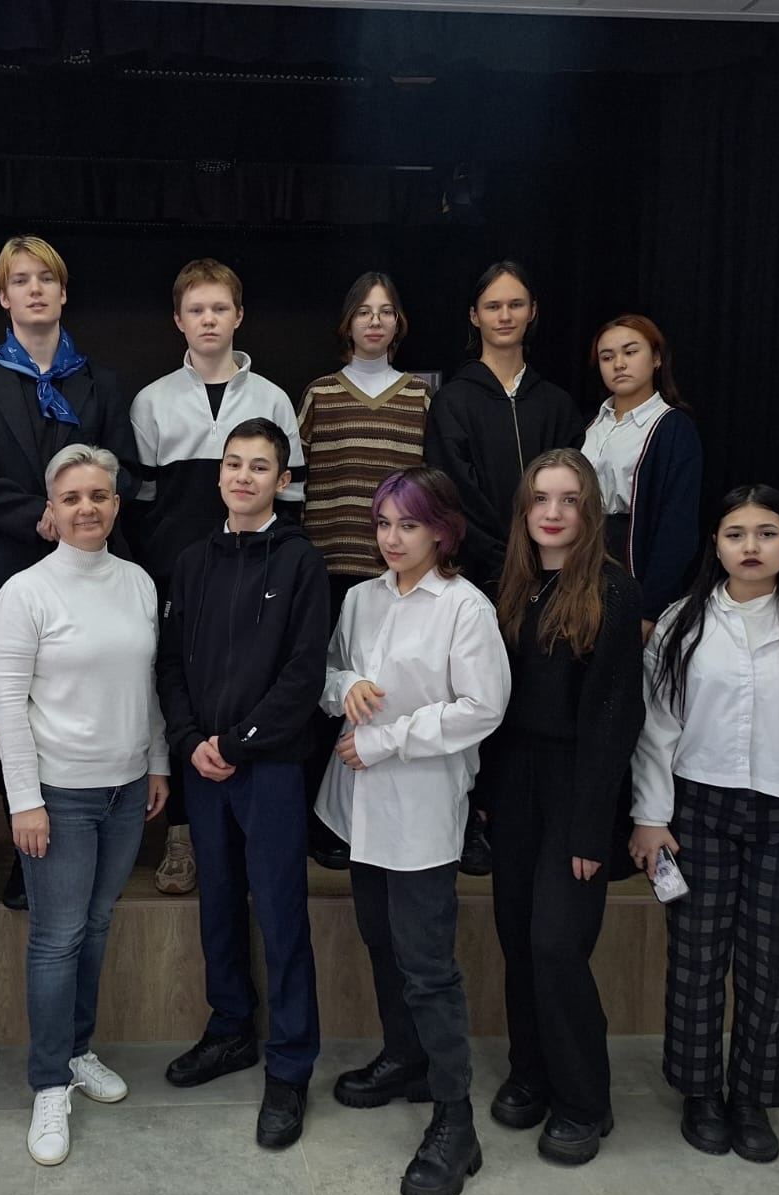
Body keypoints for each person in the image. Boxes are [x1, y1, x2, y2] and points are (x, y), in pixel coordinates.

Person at [630, 484, 779, 1165]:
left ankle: (752, 1098)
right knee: (697, 960)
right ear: (716, 545)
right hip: (698, 816)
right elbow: (656, 730)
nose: (751, 547)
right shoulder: (683, 622)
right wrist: (650, 816)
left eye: (767, 533)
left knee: (773, 968)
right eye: (736, 534)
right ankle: (700, 1093)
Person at [317, 467, 510, 1195]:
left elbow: (483, 706)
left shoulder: (464, 607)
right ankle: (406, 1060)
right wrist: (346, 689)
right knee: (379, 938)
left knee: (427, 966)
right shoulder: (361, 598)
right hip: (358, 805)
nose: (392, 538)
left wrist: (387, 739)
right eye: (383, 524)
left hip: (421, 807)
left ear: (442, 530)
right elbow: (328, 674)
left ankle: (456, 1122)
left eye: (409, 524)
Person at [0, 234, 141, 910]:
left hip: (89, 568)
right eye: (20, 280)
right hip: (7, 560)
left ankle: (86, 834)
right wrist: (36, 515)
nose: (34, 290)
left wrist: (77, 513)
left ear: (62, 292)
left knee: (82, 695)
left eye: (45, 279)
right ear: (3, 297)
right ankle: (30, 853)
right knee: (15, 705)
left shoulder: (101, 381)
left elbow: (123, 472)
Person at [0, 444, 170, 1168]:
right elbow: (8, 705)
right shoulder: (25, 592)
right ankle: (48, 1083)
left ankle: (77, 1050)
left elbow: (149, 684)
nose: (86, 508)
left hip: (126, 790)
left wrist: (156, 762)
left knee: (94, 926)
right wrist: (24, 801)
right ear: (51, 511)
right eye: (71, 498)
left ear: (116, 505)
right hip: (58, 795)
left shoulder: (139, 582)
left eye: (98, 496)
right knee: (57, 938)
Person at [156, 417, 328, 1150]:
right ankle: (230, 1029)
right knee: (218, 905)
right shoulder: (192, 561)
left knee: (282, 917)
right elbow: (170, 664)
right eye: (234, 464)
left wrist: (236, 743)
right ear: (219, 474)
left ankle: (289, 1065)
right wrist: (192, 742)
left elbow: (304, 675)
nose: (244, 476)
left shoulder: (301, 561)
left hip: (270, 767)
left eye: (260, 467)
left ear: (282, 481)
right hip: (203, 767)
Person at [485, 449, 644, 1166]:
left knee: (556, 943)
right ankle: (530, 1073)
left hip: (578, 785)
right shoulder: (512, 587)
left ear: (590, 511)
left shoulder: (612, 591)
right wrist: (486, 800)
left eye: (569, 499)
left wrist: (590, 828)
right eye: (540, 499)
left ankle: (583, 1101)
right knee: (518, 939)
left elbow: (615, 718)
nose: (552, 513)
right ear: (524, 511)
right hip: (514, 785)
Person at [130, 258, 306, 895]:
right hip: (180, 576)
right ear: (179, 320)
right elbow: (143, 504)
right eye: (196, 310)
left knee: (245, 687)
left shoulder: (273, 399)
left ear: (239, 316)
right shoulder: (151, 400)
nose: (208, 320)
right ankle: (182, 832)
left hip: (254, 575)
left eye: (220, 308)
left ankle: (245, 828)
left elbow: (293, 499)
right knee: (181, 692)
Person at [423, 261, 581, 878]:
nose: (505, 315)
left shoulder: (557, 402)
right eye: (493, 306)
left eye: (516, 304)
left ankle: (527, 821)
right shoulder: (454, 400)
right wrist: (506, 554)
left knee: (539, 698)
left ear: (532, 311)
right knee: (471, 696)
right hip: (480, 573)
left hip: (555, 577)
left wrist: (542, 558)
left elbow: (573, 488)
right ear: (474, 316)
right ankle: (471, 821)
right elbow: (453, 488)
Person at [296, 271, 431, 870]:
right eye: (364, 311)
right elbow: (294, 482)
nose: (375, 321)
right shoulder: (320, 394)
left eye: (386, 311)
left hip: (396, 579)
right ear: (347, 323)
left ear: (399, 323)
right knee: (327, 696)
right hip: (327, 569)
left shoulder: (420, 398)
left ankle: (370, 819)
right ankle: (323, 819)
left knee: (383, 701)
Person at [581, 314, 702, 640]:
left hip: (634, 558)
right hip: (585, 557)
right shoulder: (589, 426)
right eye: (607, 357)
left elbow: (677, 527)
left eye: (631, 352)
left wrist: (650, 608)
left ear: (657, 358)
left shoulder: (673, 428)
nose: (619, 364)